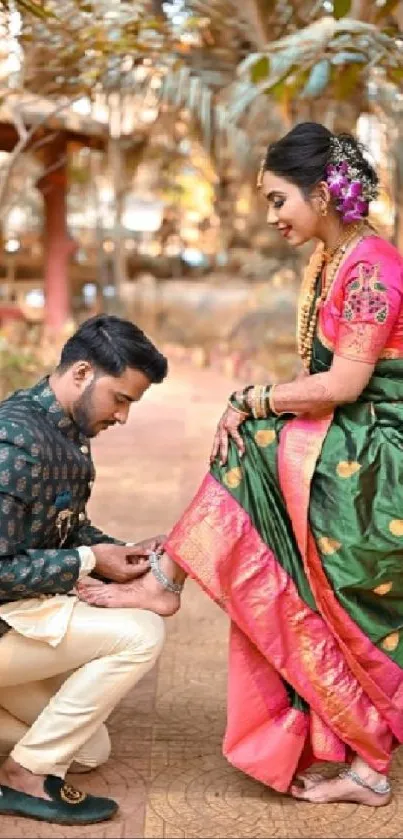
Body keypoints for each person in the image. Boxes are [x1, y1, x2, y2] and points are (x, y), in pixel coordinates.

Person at [79, 123, 403, 807]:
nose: (272, 216)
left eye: (278, 199)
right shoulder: (333, 259)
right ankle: (365, 764)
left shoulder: (372, 264)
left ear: (322, 192)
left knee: (253, 450)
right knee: (268, 497)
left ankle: (166, 574)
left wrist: (251, 399)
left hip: (382, 451)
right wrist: (260, 407)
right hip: (353, 440)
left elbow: (343, 384)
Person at [0, 314, 168, 825]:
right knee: (141, 631)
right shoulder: (13, 440)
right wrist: (93, 561)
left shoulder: (67, 430)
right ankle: (22, 777)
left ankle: (32, 760)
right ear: (80, 373)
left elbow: (63, 527)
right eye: (121, 398)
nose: (123, 416)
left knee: (90, 751)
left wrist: (125, 552)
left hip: (15, 622)